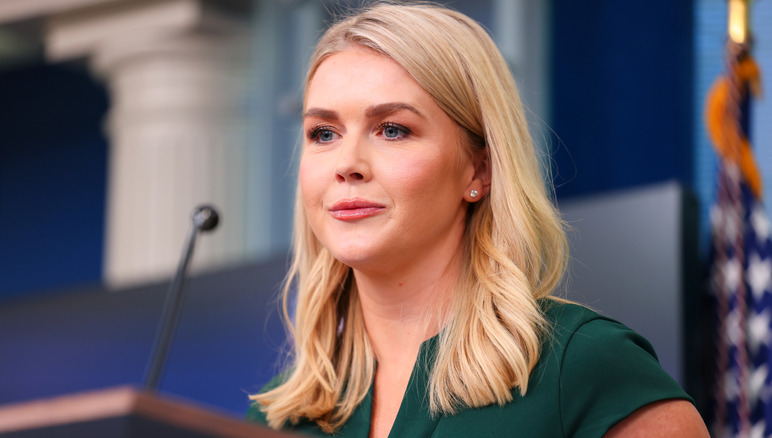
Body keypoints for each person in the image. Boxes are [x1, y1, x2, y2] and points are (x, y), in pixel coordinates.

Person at [248, 2, 709, 437]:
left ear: (480, 169)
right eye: (323, 133)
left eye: (393, 129)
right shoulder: (276, 418)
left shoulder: (590, 368)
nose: (347, 164)